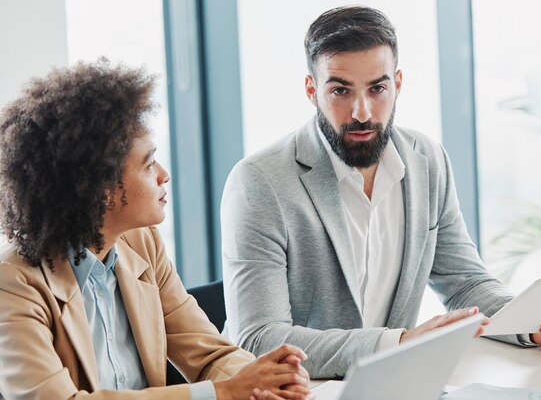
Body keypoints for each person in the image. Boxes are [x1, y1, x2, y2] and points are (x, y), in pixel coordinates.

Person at [220, 5, 541, 379]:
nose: (362, 112)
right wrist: (397, 344)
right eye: (340, 90)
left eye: (377, 88)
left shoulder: (427, 161)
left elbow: (465, 284)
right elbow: (259, 339)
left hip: (390, 386)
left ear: (398, 83)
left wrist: (535, 325)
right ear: (311, 90)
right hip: (295, 390)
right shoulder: (258, 182)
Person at [0, 60, 311, 400]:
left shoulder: (141, 243)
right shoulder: (13, 284)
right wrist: (219, 393)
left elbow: (210, 355)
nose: (164, 175)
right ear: (99, 188)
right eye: (148, 165)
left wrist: (262, 380)